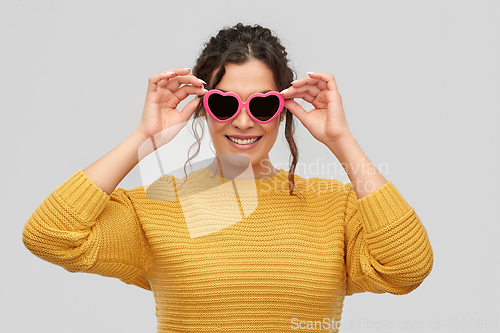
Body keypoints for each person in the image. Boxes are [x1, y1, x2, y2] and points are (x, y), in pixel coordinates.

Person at [22, 23, 433, 332]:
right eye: (223, 103)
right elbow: (49, 235)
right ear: (203, 107)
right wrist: (144, 136)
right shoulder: (156, 207)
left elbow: (408, 267)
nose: (242, 120)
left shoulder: (337, 207)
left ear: (284, 108)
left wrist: (342, 141)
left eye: (262, 104)